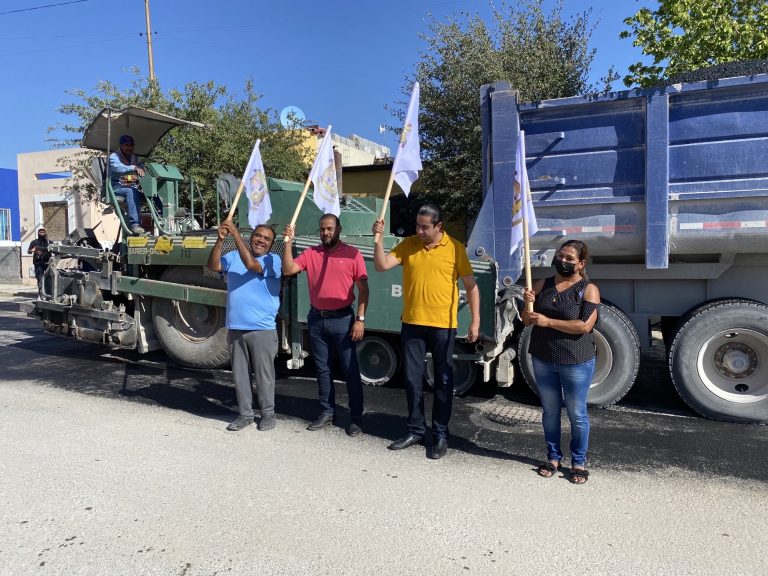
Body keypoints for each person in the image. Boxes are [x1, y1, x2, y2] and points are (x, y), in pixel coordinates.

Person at [372, 204, 480, 460]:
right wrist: (378, 239)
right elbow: (381, 266)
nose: (419, 230)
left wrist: (475, 322)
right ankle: (416, 430)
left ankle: (441, 434)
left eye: (425, 227)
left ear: (438, 226)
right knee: (411, 379)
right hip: (412, 323)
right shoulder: (408, 245)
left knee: (443, 381)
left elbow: (472, 287)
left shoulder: (455, 248)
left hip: (443, 325)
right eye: (417, 226)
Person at [281, 214, 369, 436]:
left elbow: (364, 290)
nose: (325, 233)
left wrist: (360, 319)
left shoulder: (353, 254)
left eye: (329, 228)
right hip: (317, 319)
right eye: (322, 229)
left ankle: (356, 417)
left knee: (350, 370)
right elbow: (289, 269)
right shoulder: (312, 253)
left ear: (338, 228)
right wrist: (288, 242)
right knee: (322, 369)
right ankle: (327, 412)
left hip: (343, 320)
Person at [521, 239, 600, 485]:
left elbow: (584, 326)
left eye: (569, 259)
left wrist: (547, 322)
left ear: (581, 263)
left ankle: (579, 462)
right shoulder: (542, 284)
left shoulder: (588, 290)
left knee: (577, 414)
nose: (563, 261)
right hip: (544, 358)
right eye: (561, 256)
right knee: (550, 412)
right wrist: (527, 305)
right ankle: (553, 457)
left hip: (576, 361)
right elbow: (526, 321)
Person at [207, 220, 282, 432]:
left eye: (267, 239)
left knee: (264, 376)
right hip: (236, 328)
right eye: (258, 236)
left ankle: (268, 414)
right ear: (252, 237)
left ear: (271, 244)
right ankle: (245, 415)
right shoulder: (232, 257)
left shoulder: (273, 261)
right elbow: (213, 266)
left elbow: (251, 265)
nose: (261, 241)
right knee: (240, 376)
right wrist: (221, 240)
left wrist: (235, 234)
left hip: (262, 329)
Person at [109, 134, 147, 235]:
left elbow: (141, 166)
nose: (129, 147)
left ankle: (168, 217)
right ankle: (135, 224)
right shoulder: (114, 156)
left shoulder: (134, 157)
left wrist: (143, 169)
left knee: (150, 189)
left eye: (131, 145)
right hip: (115, 184)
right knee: (131, 191)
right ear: (121, 145)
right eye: (127, 145)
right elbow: (117, 168)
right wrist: (133, 168)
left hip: (127, 181)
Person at [27, 227, 51, 297]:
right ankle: (41, 293)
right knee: (40, 278)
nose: (42, 233)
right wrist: (33, 250)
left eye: (43, 232)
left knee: (48, 278)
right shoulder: (34, 242)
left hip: (47, 262)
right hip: (38, 263)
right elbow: (28, 251)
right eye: (40, 232)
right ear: (38, 233)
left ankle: (48, 293)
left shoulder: (49, 242)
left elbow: (55, 250)